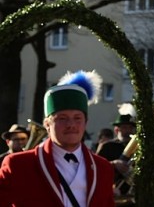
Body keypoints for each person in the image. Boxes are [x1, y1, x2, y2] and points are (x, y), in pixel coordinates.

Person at [0, 70, 115, 206]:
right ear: (47, 125)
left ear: (86, 123)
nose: (71, 125)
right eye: (62, 118)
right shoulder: (17, 165)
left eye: (77, 118)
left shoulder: (103, 168)